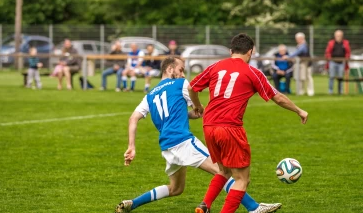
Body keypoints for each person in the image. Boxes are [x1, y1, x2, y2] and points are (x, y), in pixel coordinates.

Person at [115, 56, 282, 213]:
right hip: (183, 141)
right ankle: (253, 207)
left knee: (176, 189)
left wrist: (131, 146)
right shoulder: (180, 84)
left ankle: (132, 203)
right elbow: (194, 96)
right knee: (223, 171)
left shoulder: (149, 95)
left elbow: (133, 118)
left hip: (167, 146)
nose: (182, 73)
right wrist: (198, 108)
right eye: (180, 69)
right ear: (170, 69)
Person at [188, 33, 308, 213]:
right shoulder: (253, 72)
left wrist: (197, 106)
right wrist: (299, 110)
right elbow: (278, 97)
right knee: (242, 179)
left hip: (209, 126)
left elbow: (192, 87)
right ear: (250, 52)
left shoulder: (215, 66)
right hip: (229, 128)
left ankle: (204, 206)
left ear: (231, 51)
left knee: (223, 171)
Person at [325, 30, 351, 94]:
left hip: (342, 63)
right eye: (336, 36)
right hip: (332, 62)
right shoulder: (331, 43)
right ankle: (330, 91)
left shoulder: (345, 43)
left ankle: (340, 92)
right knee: (331, 77)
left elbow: (348, 52)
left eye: (339, 36)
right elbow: (327, 52)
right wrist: (329, 58)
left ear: (342, 36)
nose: (337, 37)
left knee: (340, 78)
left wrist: (346, 59)